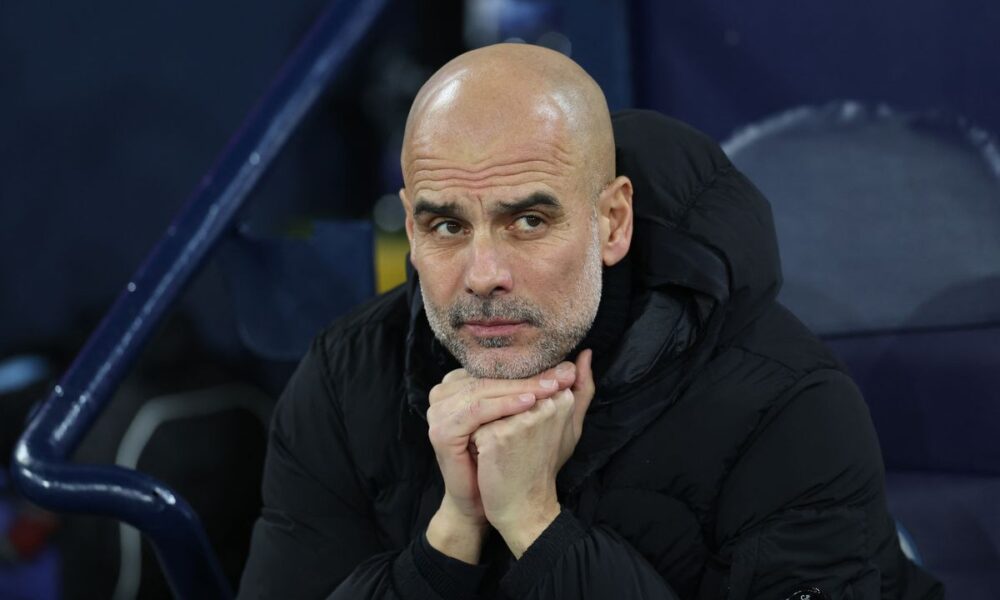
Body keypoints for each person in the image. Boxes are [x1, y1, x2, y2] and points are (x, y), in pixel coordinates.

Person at [238, 44, 943, 599]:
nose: (483, 274)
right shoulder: (344, 380)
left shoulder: (786, 405)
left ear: (613, 221)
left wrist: (536, 524)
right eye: (447, 225)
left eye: (528, 220)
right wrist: (453, 531)